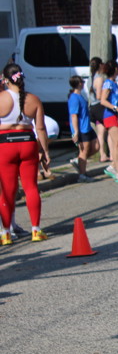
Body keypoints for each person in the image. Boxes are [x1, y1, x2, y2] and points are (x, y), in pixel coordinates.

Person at [0, 64, 50, 243]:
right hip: (28, 143)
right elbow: (41, 128)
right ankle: (36, 230)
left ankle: (6, 233)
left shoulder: (1, 98)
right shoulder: (34, 99)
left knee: (7, 190)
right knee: (31, 187)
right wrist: (45, 151)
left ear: (6, 80)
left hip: (5, 144)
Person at [68, 75, 96, 181]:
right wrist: (76, 132)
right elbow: (74, 116)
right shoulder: (74, 98)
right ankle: (82, 175)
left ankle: (78, 160)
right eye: (82, 82)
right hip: (81, 129)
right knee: (84, 151)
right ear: (79, 84)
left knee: (96, 146)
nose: (84, 84)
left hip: (87, 127)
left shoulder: (80, 96)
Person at [89, 57, 110, 162]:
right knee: (111, 130)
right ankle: (112, 154)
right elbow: (98, 96)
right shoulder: (99, 78)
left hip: (93, 107)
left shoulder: (90, 78)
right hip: (99, 107)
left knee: (101, 133)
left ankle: (102, 154)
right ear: (100, 65)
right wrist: (106, 96)